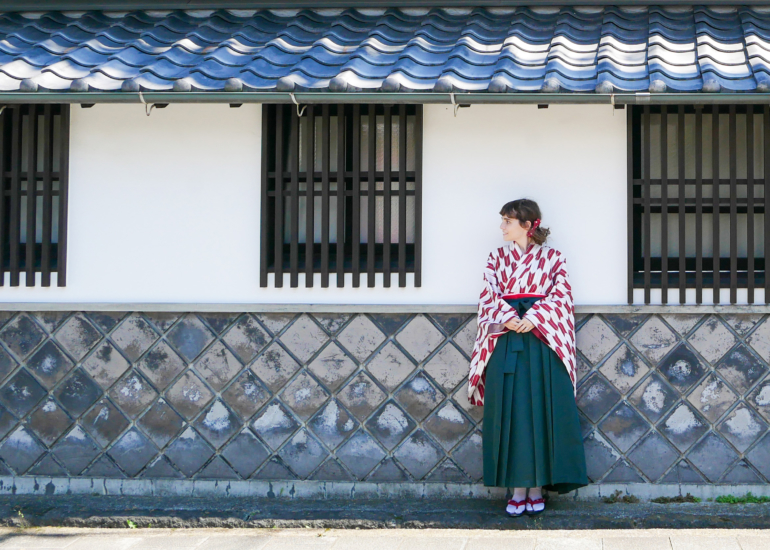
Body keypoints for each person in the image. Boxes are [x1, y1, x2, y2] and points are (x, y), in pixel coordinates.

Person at [468, 198, 588, 517]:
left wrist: (535, 317)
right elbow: (488, 295)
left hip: (542, 340)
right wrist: (508, 317)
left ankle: (537, 488)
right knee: (511, 410)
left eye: (507, 221)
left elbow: (562, 296)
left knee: (543, 409)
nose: (501, 227)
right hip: (507, 338)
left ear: (526, 224)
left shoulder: (553, 258)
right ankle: (517, 488)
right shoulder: (497, 258)